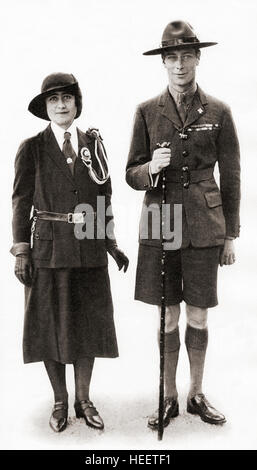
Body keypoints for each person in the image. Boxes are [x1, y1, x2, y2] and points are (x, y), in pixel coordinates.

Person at [126, 21, 240, 429]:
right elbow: (130, 174)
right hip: (160, 224)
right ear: (163, 62)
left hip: (204, 226)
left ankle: (195, 393)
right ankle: (168, 397)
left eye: (185, 56)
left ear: (197, 58)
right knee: (167, 316)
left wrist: (230, 235)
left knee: (199, 315)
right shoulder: (145, 111)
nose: (178, 65)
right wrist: (149, 169)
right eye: (170, 57)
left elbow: (233, 176)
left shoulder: (219, 111)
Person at [11, 72, 129, 433]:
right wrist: (21, 250)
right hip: (48, 249)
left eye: (67, 98)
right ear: (46, 108)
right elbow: (20, 200)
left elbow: (104, 196)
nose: (61, 105)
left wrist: (109, 243)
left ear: (77, 103)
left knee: (87, 326)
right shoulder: (31, 148)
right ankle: (60, 400)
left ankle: (84, 399)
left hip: (89, 248)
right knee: (49, 326)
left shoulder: (94, 145)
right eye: (53, 100)